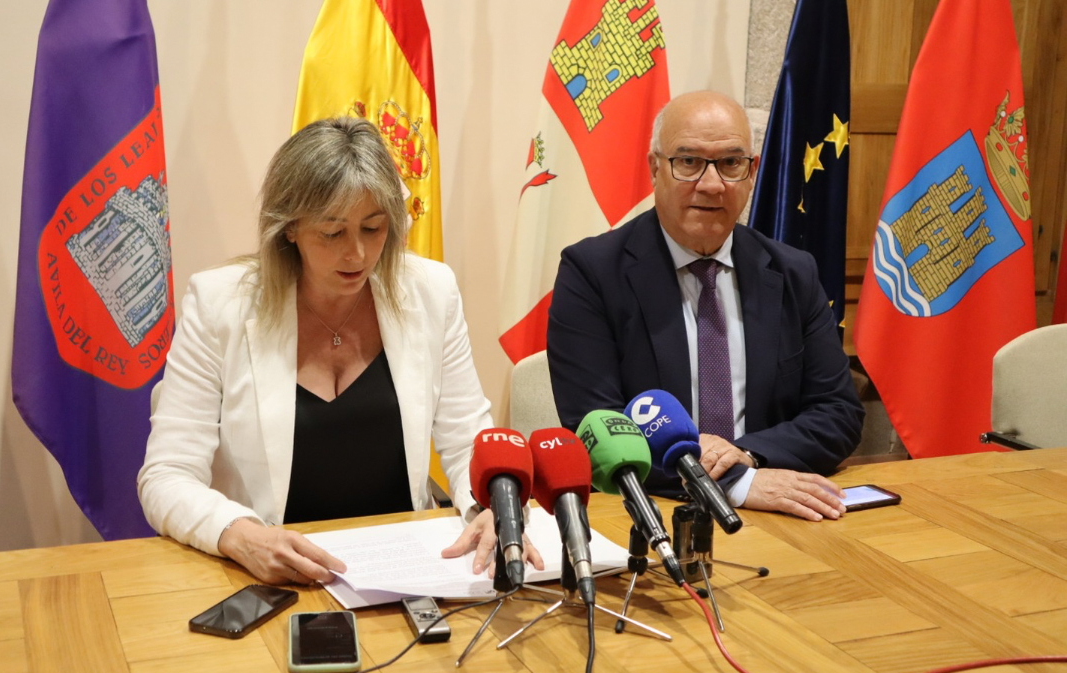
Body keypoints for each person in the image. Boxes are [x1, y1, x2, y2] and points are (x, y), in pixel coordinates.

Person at [139, 117, 541, 585]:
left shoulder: (431, 291)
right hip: (273, 577)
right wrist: (240, 535)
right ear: (289, 227)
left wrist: (488, 507)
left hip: (406, 570)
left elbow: (468, 441)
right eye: (332, 233)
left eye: (373, 228)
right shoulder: (218, 304)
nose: (357, 254)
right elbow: (166, 476)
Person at [547, 91, 865, 522]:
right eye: (688, 161)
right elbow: (598, 429)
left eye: (731, 163)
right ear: (654, 168)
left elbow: (838, 413)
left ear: (752, 172)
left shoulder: (793, 271)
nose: (712, 184)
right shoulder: (592, 272)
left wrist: (746, 456)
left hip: (776, 505)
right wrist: (735, 484)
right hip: (649, 515)